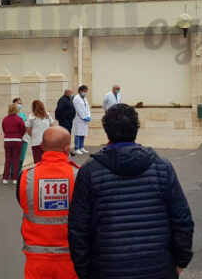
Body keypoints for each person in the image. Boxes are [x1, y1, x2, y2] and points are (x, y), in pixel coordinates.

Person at [68, 104, 194, 279]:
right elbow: (182, 220)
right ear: (137, 128)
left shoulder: (90, 172)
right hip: (158, 268)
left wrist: (84, 270)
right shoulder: (162, 167)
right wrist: (180, 261)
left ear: (107, 131)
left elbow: (78, 228)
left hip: (107, 269)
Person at [17, 127, 80, 279]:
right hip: (70, 258)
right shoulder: (78, 175)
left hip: (36, 259)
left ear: (42, 146)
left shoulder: (26, 177)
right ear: (66, 149)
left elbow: (23, 203)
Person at [2, 103, 26, 184]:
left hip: (7, 140)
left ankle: (5, 178)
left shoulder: (5, 119)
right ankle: (15, 178)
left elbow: (4, 128)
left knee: (8, 159)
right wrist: (19, 135)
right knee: (16, 159)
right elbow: (23, 129)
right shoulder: (19, 119)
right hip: (17, 139)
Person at [72, 85, 91, 155]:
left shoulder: (84, 98)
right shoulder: (76, 98)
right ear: (80, 91)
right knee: (78, 133)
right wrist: (83, 117)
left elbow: (87, 107)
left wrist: (88, 116)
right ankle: (77, 148)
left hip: (84, 119)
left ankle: (81, 147)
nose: (85, 93)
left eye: (86, 92)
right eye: (84, 91)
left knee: (83, 133)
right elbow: (78, 109)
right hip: (78, 119)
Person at [15, 98, 31, 173]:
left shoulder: (23, 114)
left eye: (20, 103)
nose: (19, 105)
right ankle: (13, 172)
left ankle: (19, 169)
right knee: (15, 156)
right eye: (18, 103)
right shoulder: (13, 114)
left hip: (24, 138)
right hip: (17, 138)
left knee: (22, 156)